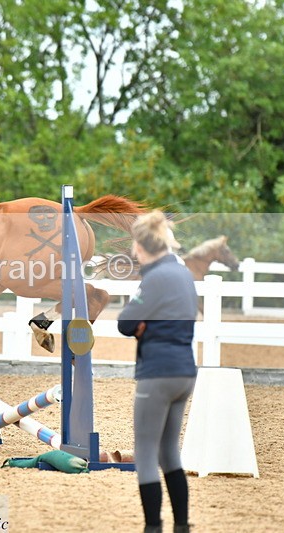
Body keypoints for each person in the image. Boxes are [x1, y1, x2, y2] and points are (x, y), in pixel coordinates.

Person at [117, 210, 198, 533]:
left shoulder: (155, 278)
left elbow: (124, 323)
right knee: (170, 452)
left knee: (147, 453)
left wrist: (143, 325)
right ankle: (181, 526)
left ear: (141, 246)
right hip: (184, 372)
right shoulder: (183, 273)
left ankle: (153, 528)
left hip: (157, 373)